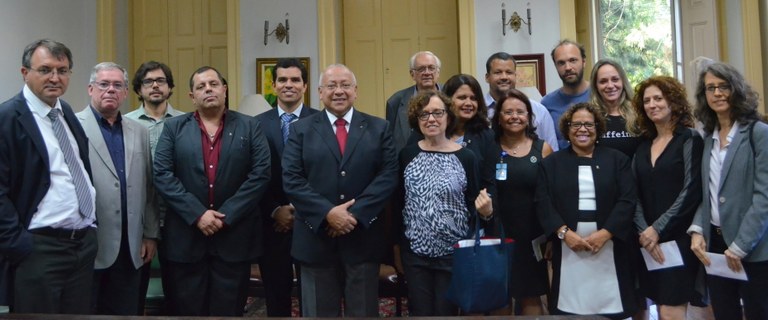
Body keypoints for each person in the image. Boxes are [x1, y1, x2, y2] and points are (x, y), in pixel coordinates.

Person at [153, 66, 271, 316]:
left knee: (229, 311)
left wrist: (225, 215)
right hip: (186, 239)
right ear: (191, 96)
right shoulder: (174, 128)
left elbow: (260, 175)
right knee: (187, 311)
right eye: (201, 86)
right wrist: (198, 215)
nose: (208, 89)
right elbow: (162, 174)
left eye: (213, 84)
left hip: (234, 238)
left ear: (225, 90)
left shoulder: (250, 127)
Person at [282, 64, 398, 317]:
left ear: (355, 91)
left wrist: (353, 214)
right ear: (320, 92)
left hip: (362, 239)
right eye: (331, 86)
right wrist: (328, 214)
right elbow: (292, 179)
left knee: (363, 313)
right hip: (315, 240)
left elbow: (388, 176)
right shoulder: (300, 129)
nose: (339, 91)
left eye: (345, 85)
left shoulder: (379, 128)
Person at [0, 39, 97, 314]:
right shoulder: (7, 118)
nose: (55, 78)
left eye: (62, 70)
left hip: (81, 246)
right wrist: (19, 245)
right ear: (24, 73)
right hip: (39, 249)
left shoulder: (64, 111)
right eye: (45, 70)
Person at [394, 90, 493, 316]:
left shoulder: (466, 157)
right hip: (415, 253)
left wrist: (486, 213)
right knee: (420, 312)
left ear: (448, 117)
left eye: (438, 113)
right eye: (424, 114)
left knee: (445, 313)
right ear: (416, 120)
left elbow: (474, 204)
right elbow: (399, 203)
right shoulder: (406, 155)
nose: (431, 119)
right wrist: (397, 247)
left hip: (454, 254)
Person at [536, 102, 638, 319]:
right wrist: (564, 234)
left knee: (611, 309)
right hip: (568, 248)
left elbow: (627, 200)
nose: (583, 129)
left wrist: (605, 233)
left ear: (598, 128)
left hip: (609, 247)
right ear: (567, 128)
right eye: (576, 124)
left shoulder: (617, 160)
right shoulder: (551, 164)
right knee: (571, 311)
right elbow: (543, 203)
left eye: (588, 124)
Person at [76, 62, 159, 315]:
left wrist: (149, 234)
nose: (110, 90)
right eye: (104, 84)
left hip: (131, 245)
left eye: (117, 85)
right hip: (90, 246)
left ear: (125, 92)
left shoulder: (140, 131)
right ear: (91, 89)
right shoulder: (73, 125)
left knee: (126, 311)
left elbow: (149, 187)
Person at [688, 62, 768, 320]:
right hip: (716, 245)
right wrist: (698, 230)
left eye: (724, 86)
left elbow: (764, 197)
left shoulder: (759, 133)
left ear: (736, 90)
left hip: (753, 248)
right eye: (711, 88)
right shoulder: (709, 136)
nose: (718, 93)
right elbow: (708, 192)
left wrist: (741, 245)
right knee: (724, 314)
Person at [630, 76, 703, 320]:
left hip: (678, 239)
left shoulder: (689, 138)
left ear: (673, 102)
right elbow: (634, 192)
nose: (652, 104)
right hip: (646, 242)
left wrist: (658, 229)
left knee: (671, 310)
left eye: (658, 98)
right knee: (659, 308)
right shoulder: (642, 145)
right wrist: (645, 232)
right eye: (647, 100)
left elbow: (691, 190)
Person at [254, 57, 318, 317]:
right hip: (271, 225)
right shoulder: (255, 124)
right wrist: (274, 210)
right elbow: (253, 174)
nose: (288, 84)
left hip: (312, 223)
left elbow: (325, 174)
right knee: (276, 299)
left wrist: (298, 209)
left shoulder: (321, 121)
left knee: (313, 297)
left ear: (305, 85)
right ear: (274, 85)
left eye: (295, 80)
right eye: (282, 80)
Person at [125, 60, 184, 315]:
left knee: (179, 290)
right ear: (139, 89)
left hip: (177, 216)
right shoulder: (124, 123)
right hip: (138, 217)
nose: (155, 86)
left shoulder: (186, 121)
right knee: (133, 289)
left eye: (161, 81)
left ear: (170, 87)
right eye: (148, 82)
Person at [491, 89, 552, 315]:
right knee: (500, 296)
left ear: (529, 116)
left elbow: (552, 196)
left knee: (531, 295)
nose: (514, 116)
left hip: (533, 235)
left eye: (520, 111)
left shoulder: (543, 148)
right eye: (508, 112)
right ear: (499, 117)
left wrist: (552, 236)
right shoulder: (489, 148)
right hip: (498, 233)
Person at [483, 52, 559, 151]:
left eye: (509, 72)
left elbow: (552, 153)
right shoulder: (478, 109)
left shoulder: (539, 110)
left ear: (515, 76)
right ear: (487, 77)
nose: (504, 77)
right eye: (498, 72)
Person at [386, 51, 441, 152]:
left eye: (431, 68)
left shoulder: (451, 96)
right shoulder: (395, 102)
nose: (427, 72)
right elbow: (390, 142)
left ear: (438, 72)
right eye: (421, 69)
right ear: (412, 74)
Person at [541, 40, 591, 149]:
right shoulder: (546, 104)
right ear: (556, 66)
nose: (568, 67)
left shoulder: (599, 95)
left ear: (583, 62)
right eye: (561, 63)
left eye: (573, 60)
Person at [590, 59, 641, 158]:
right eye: (603, 81)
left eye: (615, 79)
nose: (610, 85)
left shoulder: (639, 113)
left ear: (623, 82)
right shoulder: (590, 117)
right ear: (596, 86)